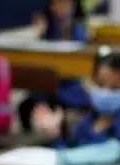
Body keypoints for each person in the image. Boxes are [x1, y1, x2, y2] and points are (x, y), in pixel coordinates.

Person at [18, 0, 90, 129]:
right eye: (58, 3)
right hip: (45, 85)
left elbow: (78, 57)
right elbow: (37, 59)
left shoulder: (78, 28)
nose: (62, 8)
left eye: (67, 4)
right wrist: (39, 34)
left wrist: (67, 31)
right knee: (27, 104)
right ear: (51, 6)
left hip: (68, 85)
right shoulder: (47, 26)